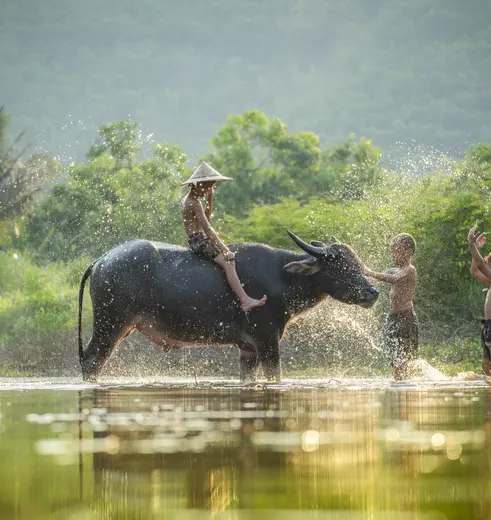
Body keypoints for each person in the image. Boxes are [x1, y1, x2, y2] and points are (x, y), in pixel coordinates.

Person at [180, 161, 267, 313]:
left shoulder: (188, 199)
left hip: (195, 240)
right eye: (208, 186)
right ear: (199, 184)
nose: (209, 189)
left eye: (212, 186)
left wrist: (210, 199)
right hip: (200, 242)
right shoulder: (194, 203)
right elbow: (207, 228)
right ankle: (245, 300)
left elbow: (206, 219)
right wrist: (225, 249)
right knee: (229, 263)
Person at [363, 233, 418, 380]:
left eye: (397, 251)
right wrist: (360, 276)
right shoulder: (395, 270)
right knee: (395, 356)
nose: (394, 255)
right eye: (393, 251)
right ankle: (400, 383)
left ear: (408, 251)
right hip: (393, 318)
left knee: (404, 357)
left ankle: (404, 386)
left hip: (406, 319)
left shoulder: (409, 270)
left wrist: (369, 271)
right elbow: (374, 279)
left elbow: (393, 279)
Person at [468, 226, 491, 375]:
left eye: (490, 263)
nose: (487, 263)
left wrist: (472, 244)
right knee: (486, 366)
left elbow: (481, 266)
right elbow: (475, 271)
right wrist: (475, 249)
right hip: (488, 326)